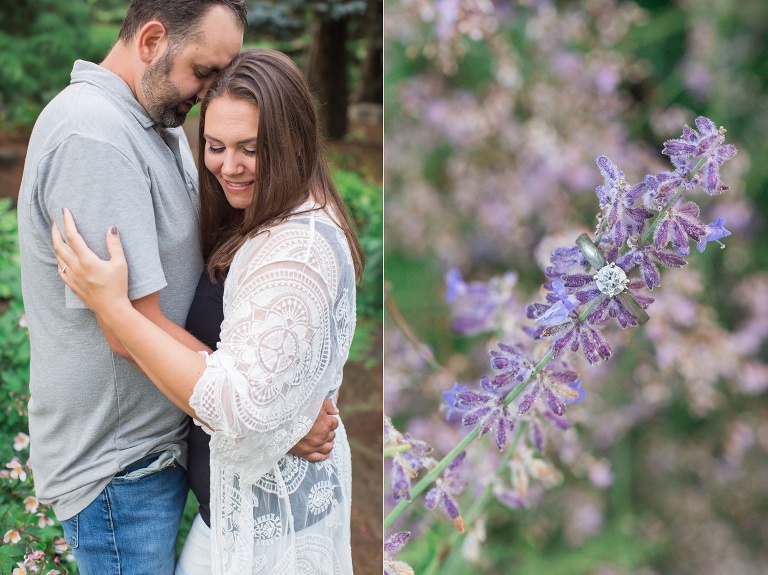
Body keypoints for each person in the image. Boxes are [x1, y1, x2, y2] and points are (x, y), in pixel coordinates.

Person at [17, 2, 337, 574]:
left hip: (158, 451)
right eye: (205, 70)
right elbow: (126, 328)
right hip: (121, 469)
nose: (213, 89)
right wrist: (272, 415)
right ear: (152, 40)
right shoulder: (98, 138)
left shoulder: (150, 123)